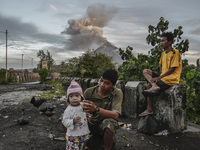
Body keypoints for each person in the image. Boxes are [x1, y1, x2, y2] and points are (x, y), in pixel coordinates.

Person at [139, 32, 182, 117]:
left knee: (148, 87)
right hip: (163, 76)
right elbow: (161, 64)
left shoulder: (175, 53)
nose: (161, 43)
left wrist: (159, 77)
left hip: (171, 79)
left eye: (163, 41)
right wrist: (160, 75)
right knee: (145, 71)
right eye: (160, 41)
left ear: (170, 42)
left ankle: (150, 110)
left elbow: (172, 69)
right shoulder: (163, 53)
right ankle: (154, 85)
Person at [82, 69, 123, 150]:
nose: (102, 84)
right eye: (101, 80)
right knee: (66, 118)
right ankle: (73, 144)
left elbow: (115, 115)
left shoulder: (116, 93)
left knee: (109, 124)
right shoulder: (88, 92)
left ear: (114, 84)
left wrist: (96, 109)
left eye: (106, 83)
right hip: (90, 123)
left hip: (104, 124)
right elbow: (81, 109)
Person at [62, 80, 90, 150]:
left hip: (83, 134)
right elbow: (64, 121)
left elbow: (86, 117)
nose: (74, 98)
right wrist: (73, 121)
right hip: (73, 136)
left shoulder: (82, 107)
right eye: (71, 96)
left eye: (77, 95)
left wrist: (88, 117)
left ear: (81, 97)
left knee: (83, 147)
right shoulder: (68, 110)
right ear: (68, 99)